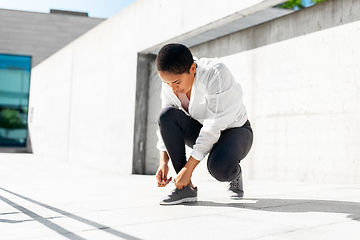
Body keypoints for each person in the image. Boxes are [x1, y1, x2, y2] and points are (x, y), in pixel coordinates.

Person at [155, 43, 253, 205]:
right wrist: (163, 162)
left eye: (177, 82)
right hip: (201, 129)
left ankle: (234, 174)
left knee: (220, 169)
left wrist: (189, 169)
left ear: (193, 68)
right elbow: (165, 122)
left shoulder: (216, 73)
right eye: (167, 83)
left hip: (236, 130)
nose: (173, 89)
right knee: (166, 115)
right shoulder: (171, 84)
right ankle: (185, 188)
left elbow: (213, 126)